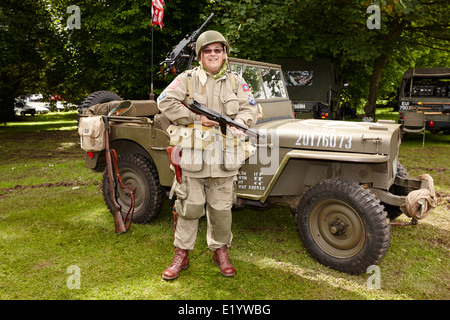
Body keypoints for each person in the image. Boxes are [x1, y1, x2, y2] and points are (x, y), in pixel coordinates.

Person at [157, 30, 258, 280]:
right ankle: (182, 253)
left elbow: (251, 109)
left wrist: (239, 122)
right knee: (188, 207)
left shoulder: (237, 82)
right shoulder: (187, 79)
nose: (213, 55)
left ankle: (220, 250)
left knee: (222, 210)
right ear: (200, 55)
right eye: (207, 51)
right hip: (193, 158)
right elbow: (164, 102)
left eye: (218, 50)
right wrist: (195, 118)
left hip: (225, 159)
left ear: (225, 54)